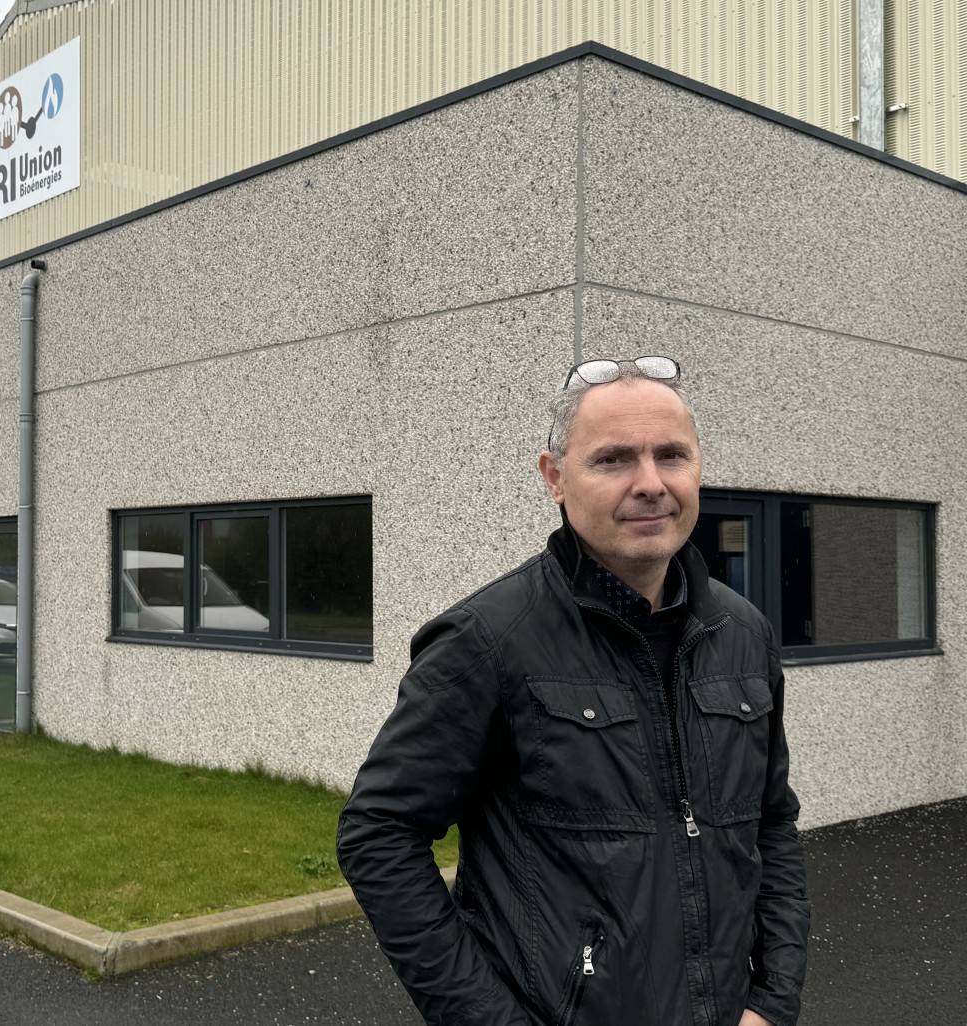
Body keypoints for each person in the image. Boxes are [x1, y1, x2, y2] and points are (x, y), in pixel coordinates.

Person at [337, 357, 809, 1026]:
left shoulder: (744, 633)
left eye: (671, 455)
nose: (651, 484)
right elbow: (378, 834)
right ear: (555, 478)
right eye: (614, 460)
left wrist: (773, 1000)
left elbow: (773, 822)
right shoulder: (488, 640)